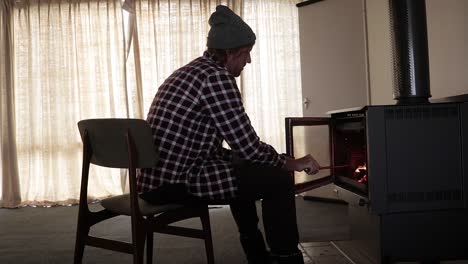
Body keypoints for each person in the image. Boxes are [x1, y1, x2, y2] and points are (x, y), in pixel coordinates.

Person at [137, 5, 320, 264]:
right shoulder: (216, 78)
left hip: (155, 177)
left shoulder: (191, 71)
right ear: (229, 52)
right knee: (278, 179)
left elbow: (212, 147)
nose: (248, 61)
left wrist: (244, 159)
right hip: (177, 182)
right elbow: (248, 146)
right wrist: (293, 163)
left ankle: (257, 255)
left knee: (242, 166)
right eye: (245, 54)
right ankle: (287, 259)